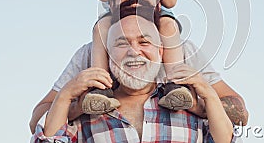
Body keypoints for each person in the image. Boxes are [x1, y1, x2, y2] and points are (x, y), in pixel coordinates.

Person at [29, 0, 249, 133]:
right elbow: (36, 122)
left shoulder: (182, 50)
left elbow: (240, 114)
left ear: (159, 2)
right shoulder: (88, 56)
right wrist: (77, 103)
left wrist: (198, 104)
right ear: (111, 2)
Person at [31, 7, 236, 142]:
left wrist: (209, 95)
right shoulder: (88, 115)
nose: (133, 51)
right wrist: (66, 95)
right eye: (122, 43)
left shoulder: (187, 105)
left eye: (144, 42)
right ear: (108, 56)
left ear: (161, 52)